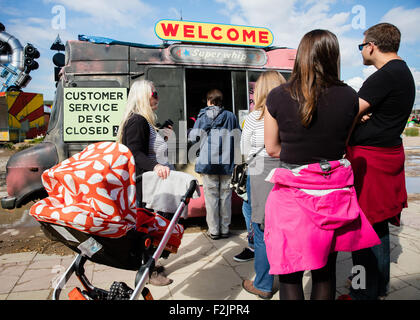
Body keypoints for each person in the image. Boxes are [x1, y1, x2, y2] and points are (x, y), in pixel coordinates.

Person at [264, 29, 381, 300]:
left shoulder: (278, 96)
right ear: (333, 56)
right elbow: (342, 144)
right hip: (334, 196)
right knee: (325, 272)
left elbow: (271, 148)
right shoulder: (350, 97)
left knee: (289, 274)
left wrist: (298, 156)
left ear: (301, 56)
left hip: (292, 195)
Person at [345, 23, 416, 300]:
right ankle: (378, 287)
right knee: (378, 225)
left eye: (361, 46)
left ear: (371, 46)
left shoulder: (384, 76)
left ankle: (363, 293)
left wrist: (346, 135)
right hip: (385, 155)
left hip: (369, 160)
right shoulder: (402, 72)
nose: (361, 51)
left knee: (361, 229)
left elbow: (350, 111)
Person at [116, 79, 172, 286]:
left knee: (153, 226)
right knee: (148, 227)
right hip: (145, 185)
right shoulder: (138, 120)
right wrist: (156, 167)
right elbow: (134, 152)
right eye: (154, 94)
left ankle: (152, 265)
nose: (157, 97)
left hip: (150, 183)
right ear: (143, 97)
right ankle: (148, 272)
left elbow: (144, 149)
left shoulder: (143, 121)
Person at [237, 71, 286, 300]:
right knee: (286, 228)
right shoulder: (291, 113)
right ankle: (289, 279)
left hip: (260, 172)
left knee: (262, 229)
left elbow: (245, 150)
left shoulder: (254, 116)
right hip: (288, 169)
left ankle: (264, 284)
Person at [188, 89, 241, 240]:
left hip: (208, 163)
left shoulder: (203, 116)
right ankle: (225, 229)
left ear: (209, 101)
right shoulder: (230, 116)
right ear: (221, 101)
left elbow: (194, 138)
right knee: (225, 196)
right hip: (226, 163)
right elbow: (238, 137)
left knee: (211, 198)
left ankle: (214, 231)